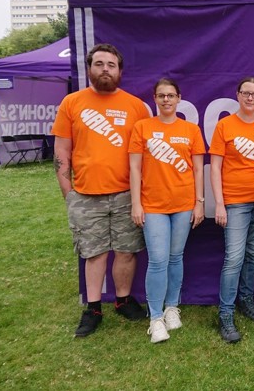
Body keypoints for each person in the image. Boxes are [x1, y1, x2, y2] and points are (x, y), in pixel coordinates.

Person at [52, 43, 151, 338]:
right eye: (99, 64)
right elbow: (61, 149)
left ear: (120, 71)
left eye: (111, 65)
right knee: (94, 254)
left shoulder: (136, 106)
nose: (105, 69)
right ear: (89, 68)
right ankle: (93, 308)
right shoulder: (72, 103)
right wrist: (67, 191)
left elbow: (144, 153)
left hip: (125, 194)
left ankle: (122, 300)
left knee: (126, 251)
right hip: (85, 195)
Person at [129, 78, 206, 344]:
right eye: (161, 96)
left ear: (179, 98)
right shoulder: (142, 128)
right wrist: (136, 204)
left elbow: (198, 169)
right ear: (155, 98)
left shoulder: (191, 129)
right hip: (153, 206)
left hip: (184, 204)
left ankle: (172, 307)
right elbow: (135, 168)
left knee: (176, 258)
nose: (166, 100)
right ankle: (155, 317)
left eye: (170, 96)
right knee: (158, 260)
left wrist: (199, 202)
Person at [210, 77, 254, 343]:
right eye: (246, 93)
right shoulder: (225, 125)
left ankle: (245, 301)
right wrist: (220, 204)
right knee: (233, 258)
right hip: (235, 202)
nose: (250, 98)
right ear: (237, 95)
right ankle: (225, 313)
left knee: (252, 254)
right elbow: (215, 167)